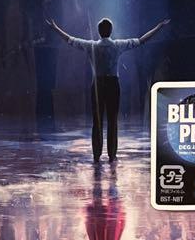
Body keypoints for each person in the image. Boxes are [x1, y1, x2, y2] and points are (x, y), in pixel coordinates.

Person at [46, 14, 169, 161]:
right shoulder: (117, 45)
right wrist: (158, 27)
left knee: (97, 121)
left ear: (99, 31)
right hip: (112, 84)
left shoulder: (91, 45)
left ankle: (97, 154)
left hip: (98, 84)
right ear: (111, 31)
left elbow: (69, 39)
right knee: (112, 120)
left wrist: (55, 28)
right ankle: (112, 154)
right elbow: (142, 40)